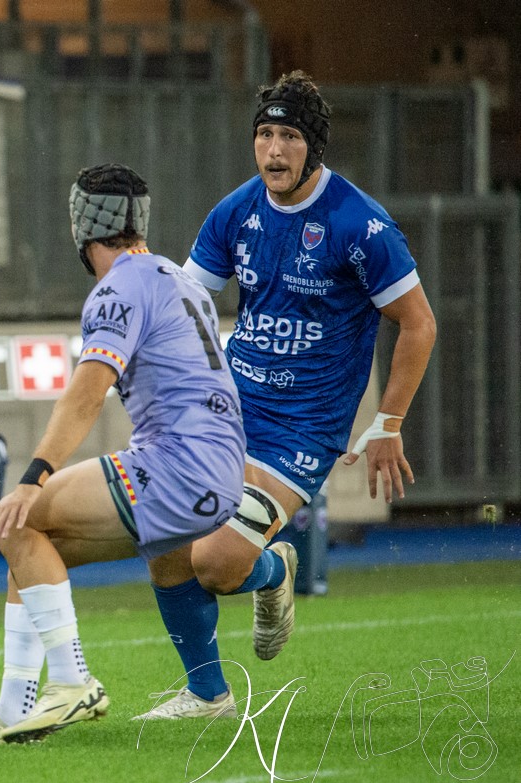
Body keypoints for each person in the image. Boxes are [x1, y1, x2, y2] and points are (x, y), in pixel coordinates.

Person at [129, 69, 437, 720]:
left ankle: (274, 570)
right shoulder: (236, 211)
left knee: (214, 563)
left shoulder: (360, 224)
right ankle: (206, 693)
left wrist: (389, 421)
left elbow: (418, 321)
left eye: (289, 137)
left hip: (303, 425)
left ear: (314, 146)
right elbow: (185, 302)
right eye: (264, 134)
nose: (273, 150)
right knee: (162, 536)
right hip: (230, 406)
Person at [0, 163, 250, 746]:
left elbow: (86, 394)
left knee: (19, 516)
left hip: (175, 464)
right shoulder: (179, 280)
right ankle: (12, 711)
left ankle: (73, 682)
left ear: (83, 226)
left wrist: (34, 476)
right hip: (224, 469)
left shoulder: (117, 286)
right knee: (31, 548)